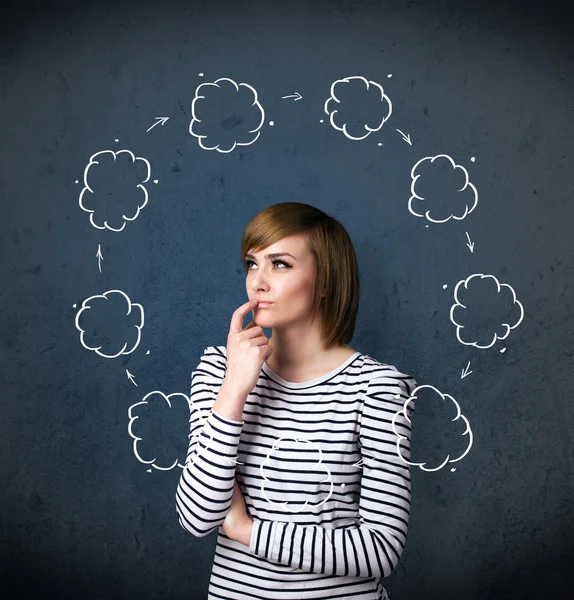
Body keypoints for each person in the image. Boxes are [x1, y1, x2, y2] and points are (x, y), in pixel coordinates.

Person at [175, 202, 417, 599]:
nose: (258, 282)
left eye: (280, 264)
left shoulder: (378, 387)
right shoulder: (220, 369)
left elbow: (381, 550)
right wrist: (234, 390)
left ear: (325, 280)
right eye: (252, 264)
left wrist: (245, 531)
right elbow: (197, 516)